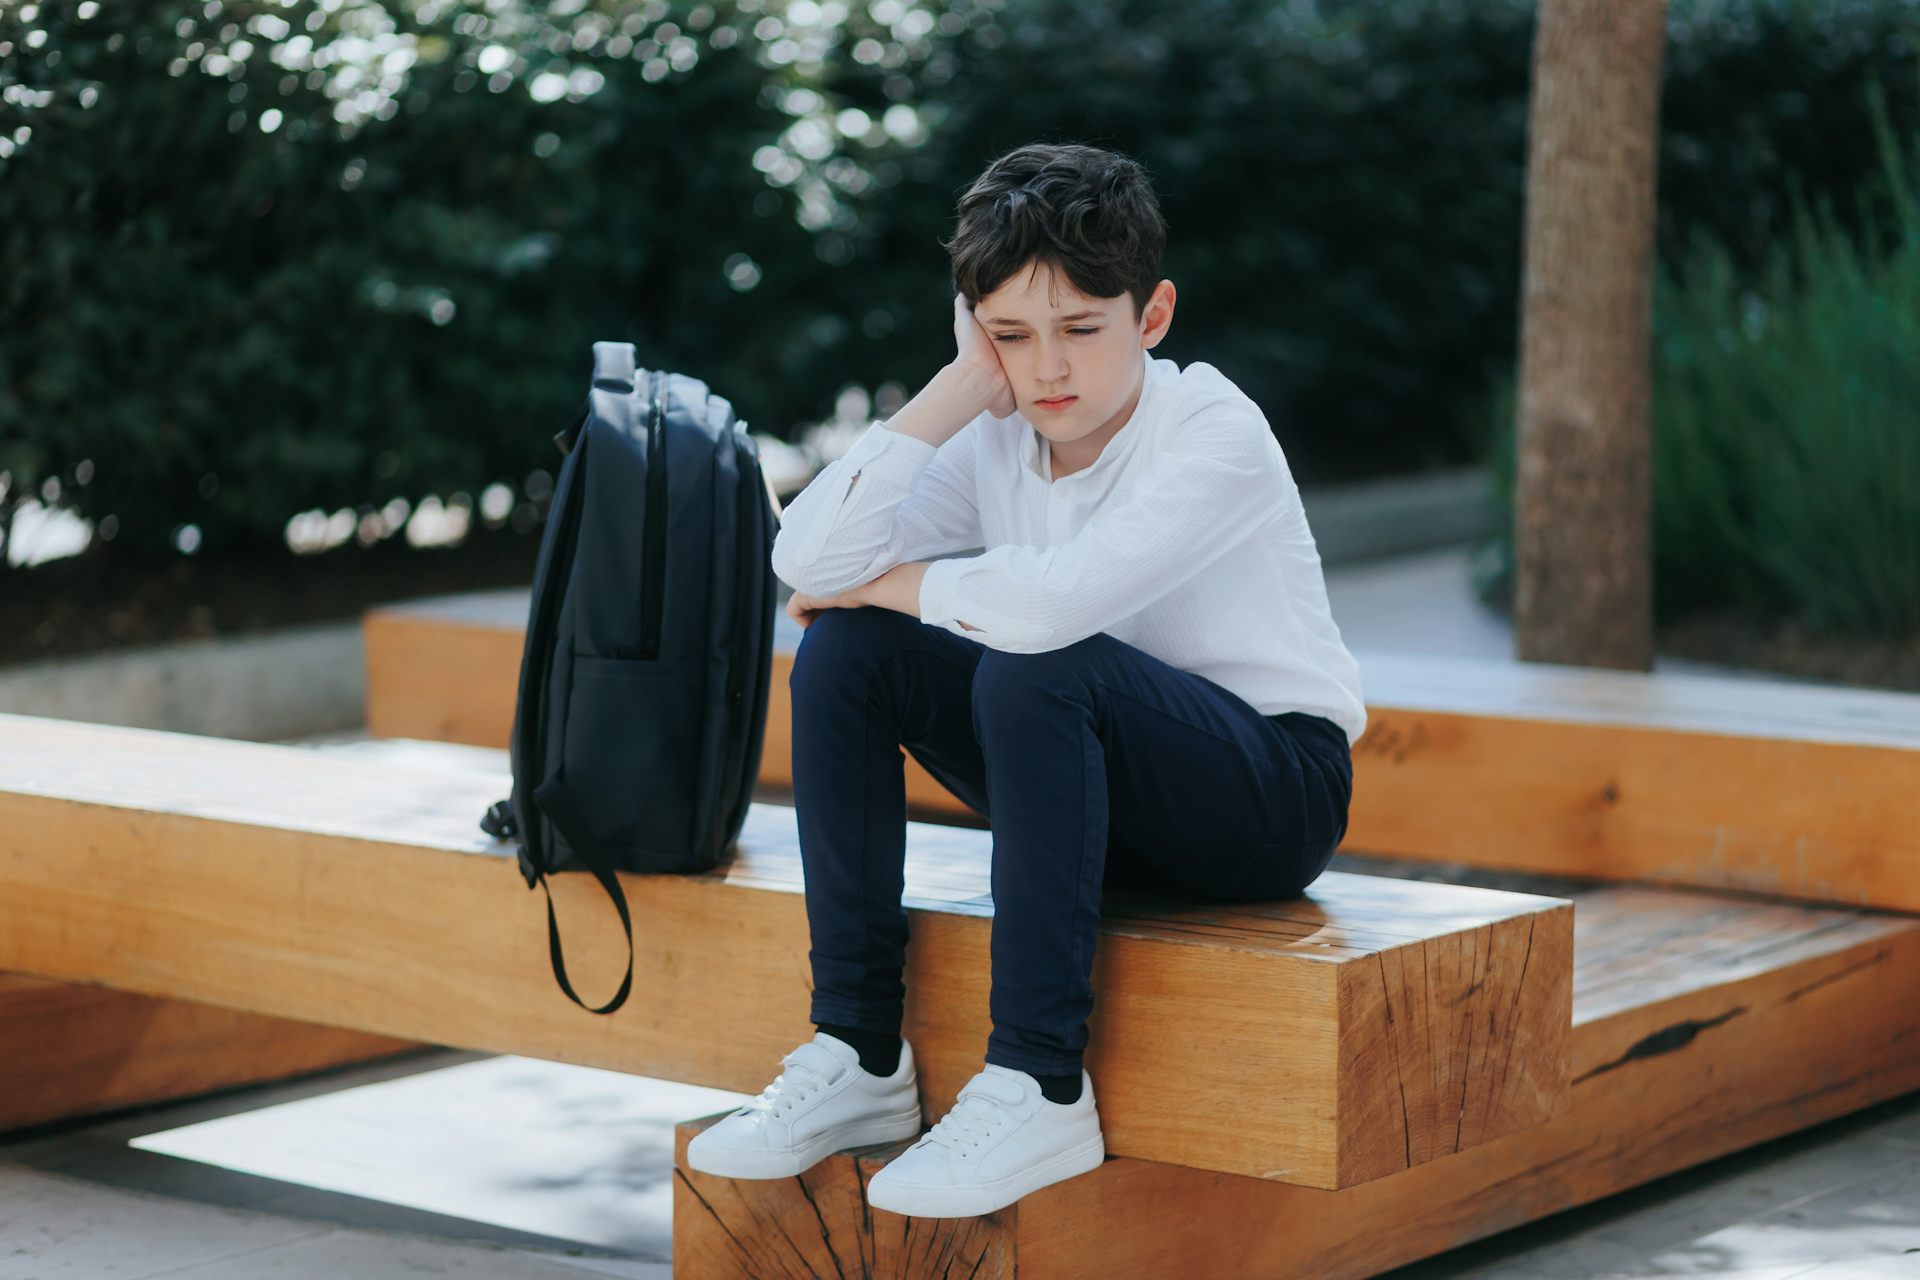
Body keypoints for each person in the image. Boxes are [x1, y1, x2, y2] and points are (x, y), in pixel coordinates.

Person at [685, 141, 1365, 1218]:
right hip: (1093, 786)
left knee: (1031, 664)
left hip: (1266, 796)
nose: (1047, 370)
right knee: (847, 652)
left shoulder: (1213, 430)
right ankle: (859, 1050)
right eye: (1010, 336)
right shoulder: (997, 424)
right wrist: (958, 390)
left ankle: (1041, 1081)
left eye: (1081, 330)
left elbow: (1050, 607)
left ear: (1152, 315)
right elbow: (804, 562)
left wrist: (895, 581)